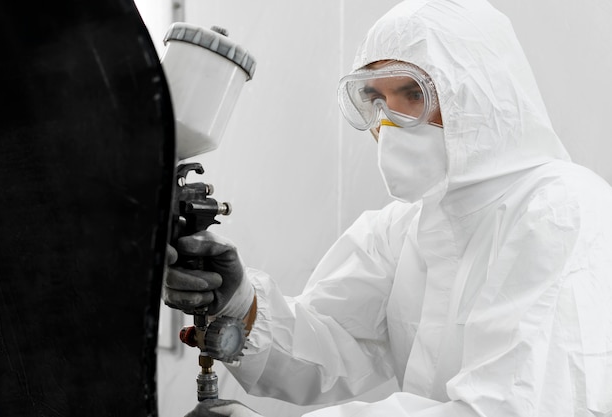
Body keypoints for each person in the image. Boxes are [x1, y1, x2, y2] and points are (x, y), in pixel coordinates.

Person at [163, 0, 612, 415]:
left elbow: (509, 409)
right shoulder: (406, 227)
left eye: (412, 95)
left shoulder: (561, 211)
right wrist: (241, 302)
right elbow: (335, 345)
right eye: (375, 100)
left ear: (477, 93)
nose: (387, 123)